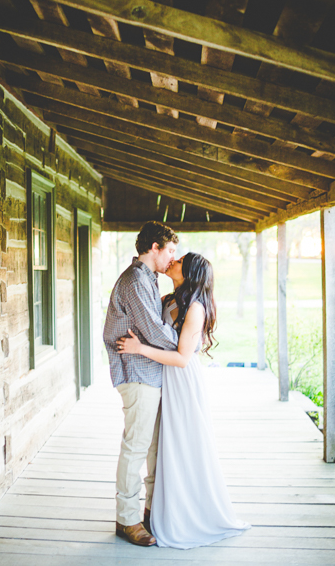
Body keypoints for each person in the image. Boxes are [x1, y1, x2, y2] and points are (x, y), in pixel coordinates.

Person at [117, 253, 250, 549]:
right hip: (160, 378)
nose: (172, 261)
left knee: (185, 446)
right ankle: (160, 508)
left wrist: (138, 349)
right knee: (161, 447)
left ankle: (187, 513)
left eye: (179, 261)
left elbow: (181, 358)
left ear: (188, 273)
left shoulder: (196, 309)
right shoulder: (168, 300)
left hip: (182, 382)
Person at [101, 220, 179, 547]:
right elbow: (154, 328)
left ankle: (148, 510)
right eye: (170, 250)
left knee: (151, 446)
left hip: (150, 372)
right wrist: (183, 344)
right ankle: (127, 519)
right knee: (135, 446)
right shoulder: (134, 280)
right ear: (154, 248)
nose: (173, 258)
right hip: (137, 373)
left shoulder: (148, 279)